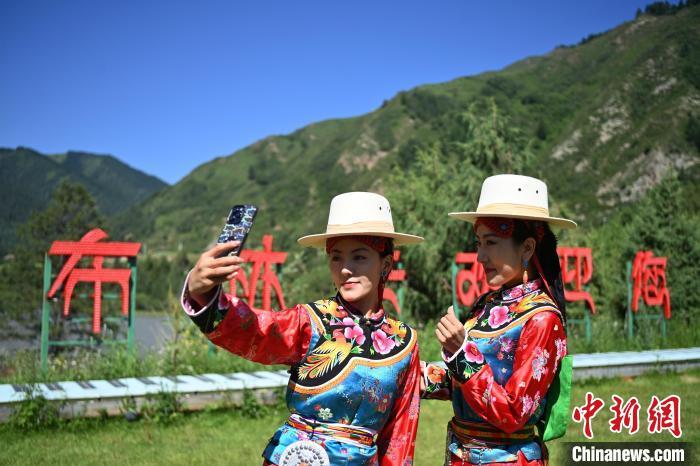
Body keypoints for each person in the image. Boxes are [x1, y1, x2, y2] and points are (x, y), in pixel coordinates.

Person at [182, 191, 423, 466]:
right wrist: (202, 294)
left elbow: (400, 435)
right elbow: (257, 331)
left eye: (359, 257)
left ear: (386, 264)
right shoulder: (311, 321)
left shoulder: (404, 342)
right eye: (336, 258)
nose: (345, 269)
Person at [421, 174, 575, 465]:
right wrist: (410, 373)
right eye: (478, 243)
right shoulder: (487, 305)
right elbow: (466, 384)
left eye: (490, 242)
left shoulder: (542, 319)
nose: (480, 256)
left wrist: (462, 353)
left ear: (527, 248)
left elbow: (515, 412)